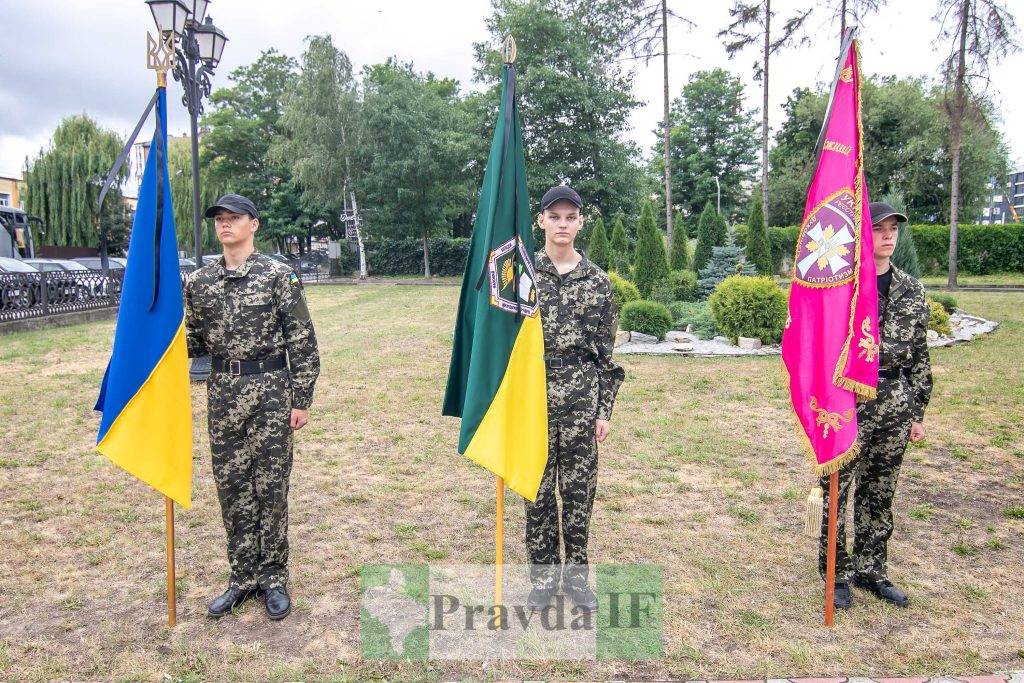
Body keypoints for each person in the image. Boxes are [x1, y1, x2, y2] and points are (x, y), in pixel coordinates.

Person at [184, 193, 320, 621]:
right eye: (220, 220)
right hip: (223, 392)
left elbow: (302, 339)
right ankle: (242, 577)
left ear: (253, 224)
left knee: (271, 487)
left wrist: (301, 399)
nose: (225, 225)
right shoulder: (199, 282)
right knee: (232, 488)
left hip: (270, 392)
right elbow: (190, 342)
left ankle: (274, 577)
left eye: (234, 218)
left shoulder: (278, 275)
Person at [820, 201, 932, 609]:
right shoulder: (844, 291)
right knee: (837, 491)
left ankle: (872, 570)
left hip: (895, 402)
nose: (887, 236)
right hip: (848, 402)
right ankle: (836, 573)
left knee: (880, 491)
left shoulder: (912, 289)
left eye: (893, 229)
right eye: (879, 228)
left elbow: (919, 354)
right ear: (864, 235)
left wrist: (917, 410)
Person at [526, 185, 625, 613]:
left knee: (579, 494)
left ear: (581, 222)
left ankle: (578, 578)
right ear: (541, 221)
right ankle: (543, 580)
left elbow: (606, 356)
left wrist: (603, 411)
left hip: (582, 402)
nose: (562, 224)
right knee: (538, 493)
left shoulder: (599, 282)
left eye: (570, 217)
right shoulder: (522, 276)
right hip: (532, 400)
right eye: (555, 217)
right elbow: (502, 341)